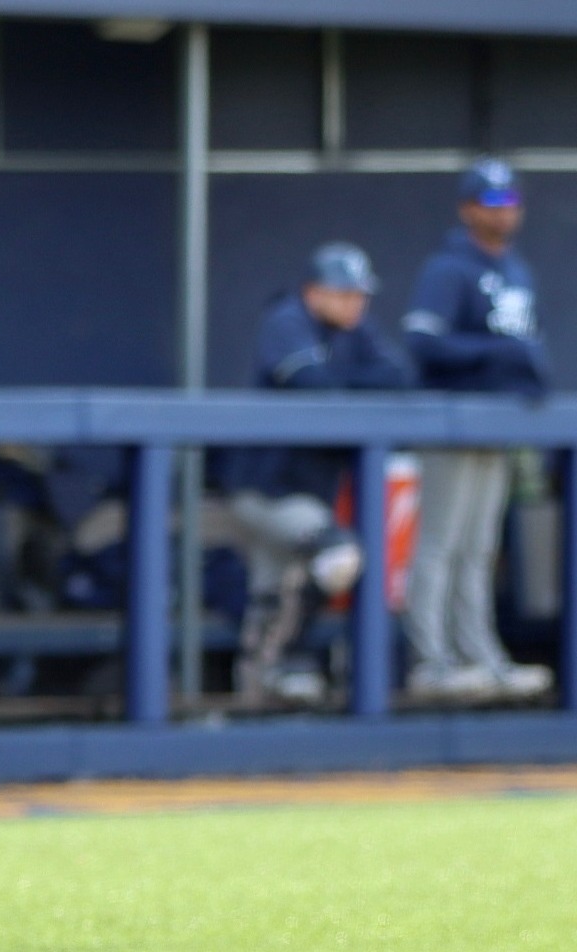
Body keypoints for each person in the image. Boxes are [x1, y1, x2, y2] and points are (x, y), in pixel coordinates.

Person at [219, 243, 409, 705]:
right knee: (337, 557)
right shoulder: (286, 321)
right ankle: (288, 658)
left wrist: (346, 378)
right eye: (342, 293)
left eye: (359, 295)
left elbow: (398, 375)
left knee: (274, 584)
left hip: (307, 488)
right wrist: (355, 382)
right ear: (313, 292)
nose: (354, 303)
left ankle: (259, 678)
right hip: (263, 487)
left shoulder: (355, 330)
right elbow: (310, 383)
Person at [400, 158, 554, 701]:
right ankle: (430, 660)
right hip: (450, 422)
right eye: (492, 202)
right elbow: (423, 342)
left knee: (480, 549)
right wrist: (501, 354)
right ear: (467, 209)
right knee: (440, 545)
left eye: (510, 201)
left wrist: (526, 369)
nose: (503, 211)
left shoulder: (517, 270)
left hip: (496, 424)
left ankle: (479, 655)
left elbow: (523, 343)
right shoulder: (449, 267)